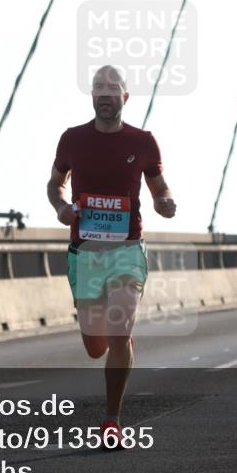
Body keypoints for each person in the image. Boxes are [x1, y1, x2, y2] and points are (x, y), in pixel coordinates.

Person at [46, 65, 176, 449]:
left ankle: (111, 420)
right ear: (92, 96)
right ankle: (110, 343)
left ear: (125, 97)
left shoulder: (143, 141)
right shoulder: (72, 139)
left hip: (126, 250)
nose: (105, 94)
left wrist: (163, 200)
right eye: (98, 88)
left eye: (112, 88)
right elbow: (55, 182)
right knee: (95, 346)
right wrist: (61, 207)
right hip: (85, 253)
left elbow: (158, 184)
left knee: (119, 327)